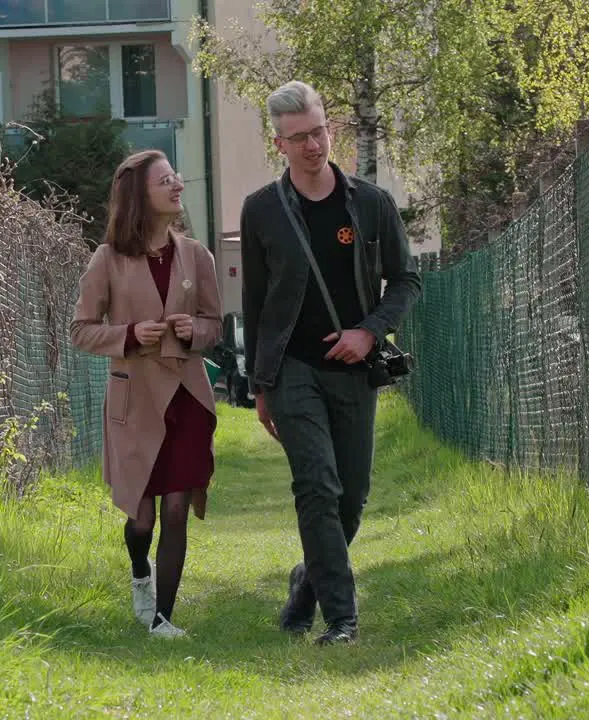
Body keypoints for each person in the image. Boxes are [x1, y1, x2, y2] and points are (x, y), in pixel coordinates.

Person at [239, 81, 422, 645]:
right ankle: (343, 619)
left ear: (331, 129)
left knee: (350, 498)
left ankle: (307, 581)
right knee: (316, 486)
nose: (312, 145)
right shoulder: (261, 211)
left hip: (355, 372)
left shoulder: (370, 203)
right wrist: (260, 385)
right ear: (280, 144)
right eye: (299, 138)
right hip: (293, 369)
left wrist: (370, 332)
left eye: (318, 132)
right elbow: (256, 303)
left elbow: (407, 280)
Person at [70, 150, 223, 638]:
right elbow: (81, 330)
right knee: (141, 518)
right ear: (140, 195)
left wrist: (191, 329)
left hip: (186, 399)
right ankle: (141, 573)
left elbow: (215, 326)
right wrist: (132, 334)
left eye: (177, 177)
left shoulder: (198, 256)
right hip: (135, 401)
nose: (178, 185)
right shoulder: (108, 259)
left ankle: (163, 618)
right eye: (166, 180)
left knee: (176, 507)